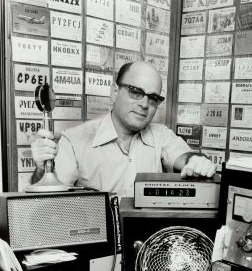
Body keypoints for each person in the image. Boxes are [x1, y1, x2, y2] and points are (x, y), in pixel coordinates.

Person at [31, 61, 216, 197]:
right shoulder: (74, 140)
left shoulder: (162, 136)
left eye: (153, 98)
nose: (144, 104)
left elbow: (184, 158)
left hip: (149, 245)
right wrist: (42, 169)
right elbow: (50, 203)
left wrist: (197, 162)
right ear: (114, 92)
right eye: (136, 92)